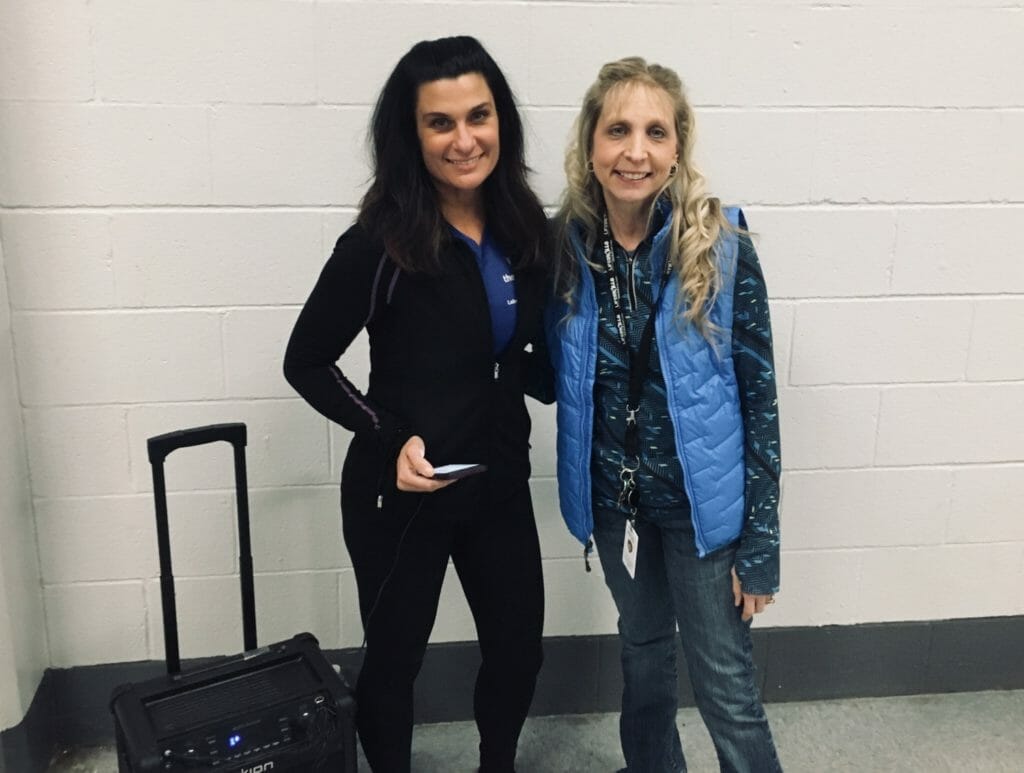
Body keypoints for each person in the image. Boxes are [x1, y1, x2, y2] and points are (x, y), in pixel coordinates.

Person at [283, 36, 549, 773]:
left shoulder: (526, 228)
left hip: (497, 482)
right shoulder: (379, 241)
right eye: (441, 122)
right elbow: (305, 361)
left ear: (502, 121)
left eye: (479, 115)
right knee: (395, 660)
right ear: (412, 134)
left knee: (519, 648)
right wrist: (388, 433)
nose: (465, 139)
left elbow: (526, 358)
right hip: (400, 491)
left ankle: (497, 763)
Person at [547, 57, 784, 772]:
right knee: (643, 659)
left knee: (725, 685)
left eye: (656, 131)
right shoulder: (563, 247)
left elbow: (760, 398)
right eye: (618, 130)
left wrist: (762, 542)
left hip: (700, 508)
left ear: (678, 145)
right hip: (619, 506)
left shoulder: (723, 245)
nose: (636, 151)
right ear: (591, 144)